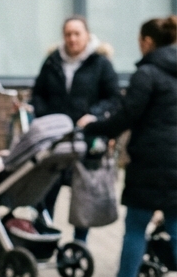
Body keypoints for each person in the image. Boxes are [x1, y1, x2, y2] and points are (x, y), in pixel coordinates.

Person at [79, 16, 177, 277]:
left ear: (147, 41)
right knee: (175, 224)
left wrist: (94, 126)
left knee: (136, 224)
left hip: (150, 160)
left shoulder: (147, 73)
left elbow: (126, 114)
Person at [30, 15, 120, 240]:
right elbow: (38, 93)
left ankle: (79, 244)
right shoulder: (52, 61)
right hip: (55, 138)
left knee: (84, 193)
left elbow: (113, 98)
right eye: (68, 34)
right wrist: (44, 117)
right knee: (46, 188)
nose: (72, 39)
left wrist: (94, 116)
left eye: (77, 33)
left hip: (86, 140)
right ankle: (43, 237)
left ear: (87, 35)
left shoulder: (100, 64)